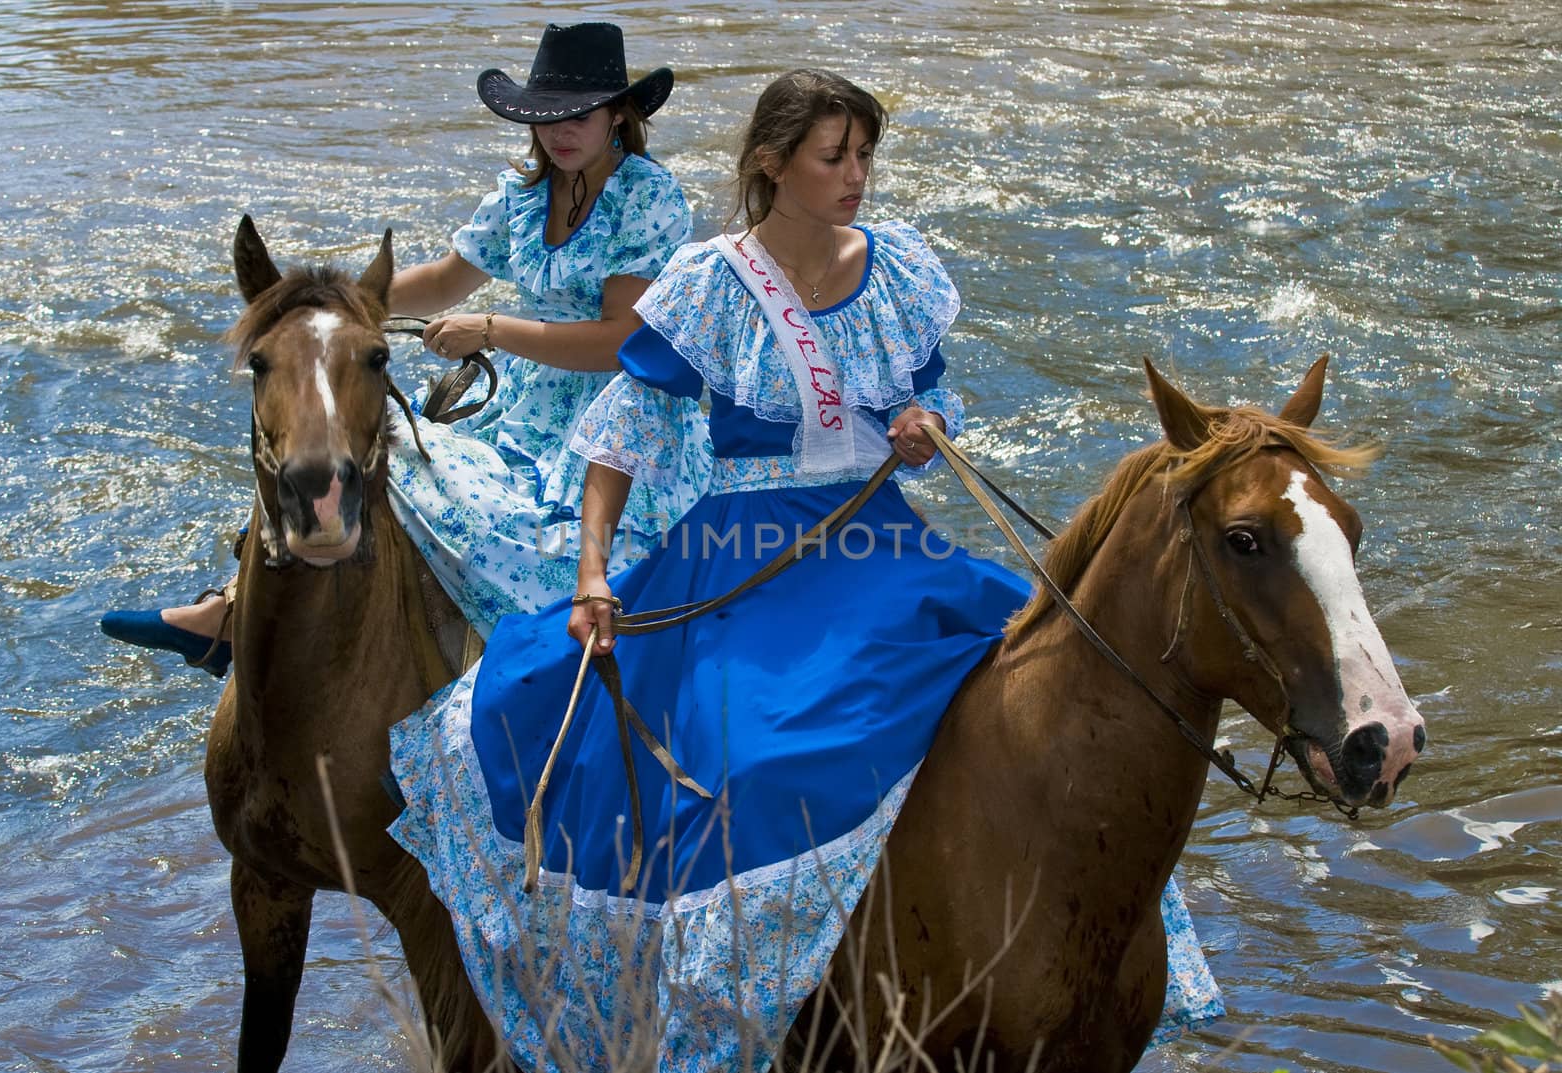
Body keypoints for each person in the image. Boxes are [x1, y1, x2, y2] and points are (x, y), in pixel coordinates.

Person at [386, 69, 1223, 1071]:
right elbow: (625, 432)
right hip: (743, 548)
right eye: (835, 157)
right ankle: (741, 999)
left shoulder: (899, 267)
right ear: (771, 166)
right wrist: (595, 571)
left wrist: (924, 425)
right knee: (754, 759)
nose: (857, 176)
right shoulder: (708, 282)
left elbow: (932, 393)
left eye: (865, 155)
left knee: (1049, 678)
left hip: (881, 537)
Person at [99, 22, 708, 671]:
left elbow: (622, 342)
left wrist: (490, 330)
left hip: (610, 416)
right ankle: (231, 605)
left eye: (578, 115)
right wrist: (335, 312)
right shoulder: (528, 194)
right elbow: (448, 279)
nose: (560, 131)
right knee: (352, 432)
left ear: (619, 114)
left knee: (425, 472)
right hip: (527, 400)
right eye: (545, 116)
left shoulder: (646, 198)